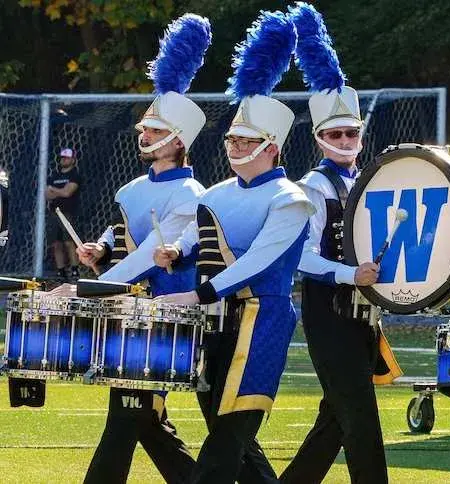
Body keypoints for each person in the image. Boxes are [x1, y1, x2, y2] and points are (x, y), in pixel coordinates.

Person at [153, 11, 314, 483]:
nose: (233, 146)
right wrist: (176, 253)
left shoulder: (291, 199)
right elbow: (196, 235)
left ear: (271, 146)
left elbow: (261, 260)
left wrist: (197, 294)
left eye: (245, 140)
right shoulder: (216, 192)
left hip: (261, 319)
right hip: (216, 322)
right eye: (230, 139)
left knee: (229, 434)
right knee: (228, 433)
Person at [54, 14, 211, 484]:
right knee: (141, 417)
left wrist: (90, 287)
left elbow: (152, 256)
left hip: (166, 312)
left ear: (178, 140)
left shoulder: (193, 193)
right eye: (144, 128)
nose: (143, 136)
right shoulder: (131, 188)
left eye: (153, 129)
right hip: (127, 309)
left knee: (128, 415)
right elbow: (125, 235)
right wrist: (99, 249)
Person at [279, 4, 395, 483]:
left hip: (363, 313)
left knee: (335, 420)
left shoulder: (370, 180)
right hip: (329, 313)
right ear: (320, 139)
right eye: (335, 133)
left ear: (361, 137)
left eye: (351, 132)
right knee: (360, 418)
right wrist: (351, 275)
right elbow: (301, 257)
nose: (345, 138)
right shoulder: (312, 186)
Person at [45, 147, 82, 280]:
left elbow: (68, 192)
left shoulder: (75, 175)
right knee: (56, 243)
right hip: (54, 212)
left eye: (67, 157)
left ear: (73, 159)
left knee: (69, 242)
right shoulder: (54, 176)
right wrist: (57, 191)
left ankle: (74, 270)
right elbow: (47, 195)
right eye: (62, 157)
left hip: (69, 213)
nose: (64, 159)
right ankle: (61, 271)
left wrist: (54, 190)